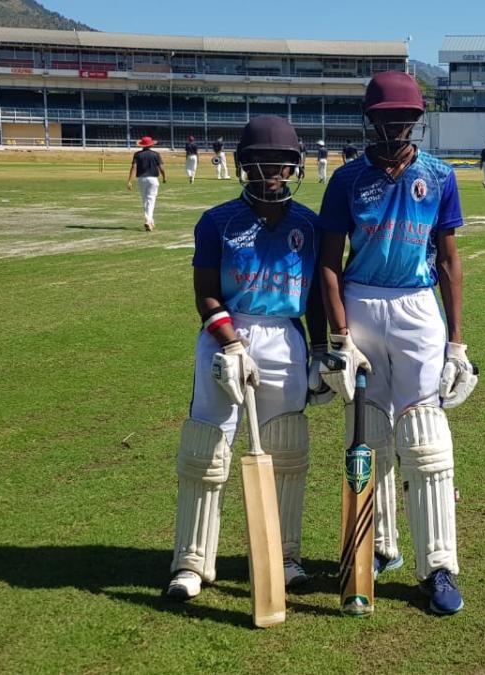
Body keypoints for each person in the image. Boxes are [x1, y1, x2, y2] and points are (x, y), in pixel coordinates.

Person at [316, 71, 478, 616]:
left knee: (427, 438)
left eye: (404, 119)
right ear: (370, 119)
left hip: (416, 306)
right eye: (385, 118)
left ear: (417, 120)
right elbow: (328, 263)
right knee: (369, 433)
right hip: (361, 303)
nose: (394, 127)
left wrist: (457, 343)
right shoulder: (345, 181)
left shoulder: (439, 175)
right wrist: (338, 336)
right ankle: (377, 547)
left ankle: (439, 566)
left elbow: (450, 259)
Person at [165, 115, 333, 602]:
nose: (272, 172)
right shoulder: (217, 221)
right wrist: (232, 344)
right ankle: (193, 561)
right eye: (261, 162)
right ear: (245, 165)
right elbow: (205, 296)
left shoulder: (309, 223)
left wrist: (322, 351)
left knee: (286, 455)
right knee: (206, 452)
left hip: (286, 340)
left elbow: (319, 297)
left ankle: (284, 555)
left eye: (282, 163)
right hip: (225, 340)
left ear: (294, 166)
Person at [126, 135, 166, 232]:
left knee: (145, 200)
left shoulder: (137, 154)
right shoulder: (156, 154)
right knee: (151, 200)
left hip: (141, 179)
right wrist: (164, 177)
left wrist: (129, 180)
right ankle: (148, 220)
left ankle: (150, 220)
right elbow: (161, 168)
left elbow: (133, 167)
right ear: (151, 144)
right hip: (153, 179)